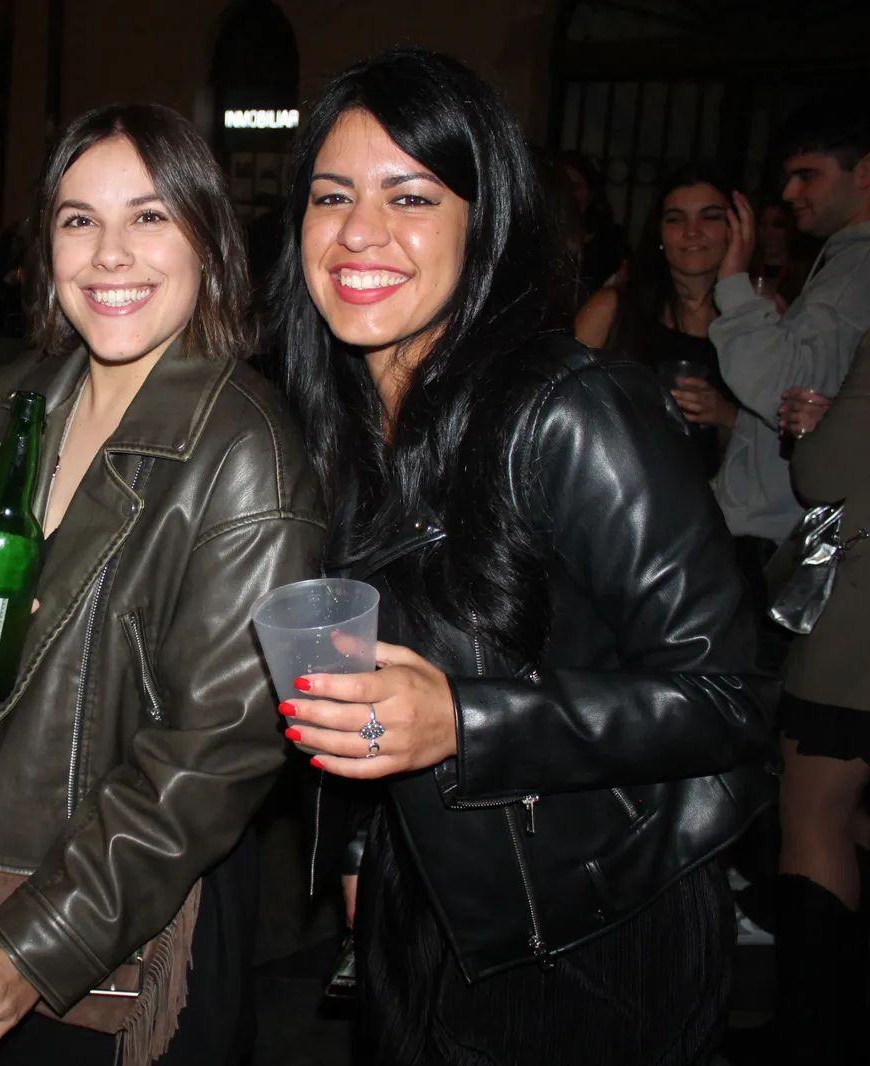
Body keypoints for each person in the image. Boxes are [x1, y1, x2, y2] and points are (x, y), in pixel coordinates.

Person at [271, 49, 771, 1065]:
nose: (359, 231)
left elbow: (730, 697)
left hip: (592, 933)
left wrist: (465, 721)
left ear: (483, 221)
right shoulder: (337, 426)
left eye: (411, 196)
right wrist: (363, 844)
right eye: (331, 195)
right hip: (426, 911)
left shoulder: (572, 410)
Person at [0, 103, 325, 1066]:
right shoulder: (13, 401)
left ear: (206, 239)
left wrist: (33, 948)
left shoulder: (246, 449)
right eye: (79, 219)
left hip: (113, 922)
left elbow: (212, 759)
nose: (109, 254)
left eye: (150, 216)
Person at [740, 331, 870, 1066]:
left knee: (815, 815)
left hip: (859, 638)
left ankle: (811, 1035)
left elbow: (825, 473)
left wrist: (821, 431)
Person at [709, 102, 870, 626]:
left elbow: (790, 389)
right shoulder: (843, 260)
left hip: (779, 537)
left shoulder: (858, 266)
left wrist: (733, 284)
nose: (789, 193)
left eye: (808, 175)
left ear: (864, 173)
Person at [574, 165, 740, 476]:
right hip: (618, 486)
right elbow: (557, 403)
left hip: (716, 496)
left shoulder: (753, 323)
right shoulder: (614, 308)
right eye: (675, 219)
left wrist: (727, 415)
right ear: (660, 233)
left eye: (710, 217)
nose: (692, 231)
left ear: (736, 229)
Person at [559, 150, 628, 300]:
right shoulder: (539, 241)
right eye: (563, 186)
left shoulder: (611, 242)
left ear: (591, 193)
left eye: (576, 186)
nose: (569, 194)